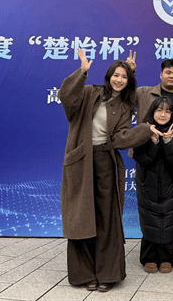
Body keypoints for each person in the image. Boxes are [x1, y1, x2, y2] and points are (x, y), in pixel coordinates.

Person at [58, 48, 152, 293]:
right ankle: (84, 274)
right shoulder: (90, 92)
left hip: (106, 162)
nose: (119, 80)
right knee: (82, 218)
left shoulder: (125, 105)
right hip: (81, 161)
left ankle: (107, 274)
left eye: (124, 76)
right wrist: (82, 72)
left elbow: (120, 137)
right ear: (108, 76)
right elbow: (66, 97)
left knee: (107, 219)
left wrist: (144, 130)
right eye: (116, 75)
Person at [127, 52, 173, 256]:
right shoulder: (145, 93)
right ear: (161, 74)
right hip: (147, 153)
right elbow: (126, 96)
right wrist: (131, 72)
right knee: (148, 200)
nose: (171, 76)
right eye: (168, 72)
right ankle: (151, 243)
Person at [131, 96, 173, 274]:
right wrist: (152, 141)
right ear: (152, 112)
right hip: (147, 185)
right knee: (149, 219)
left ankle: (167, 258)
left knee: (168, 220)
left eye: (167, 111)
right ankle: (149, 258)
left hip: (170, 185)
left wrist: (168, 142)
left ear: (172, 114)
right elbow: (143, 159)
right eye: (159, 110)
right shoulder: (142, 131)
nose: (163, 114)